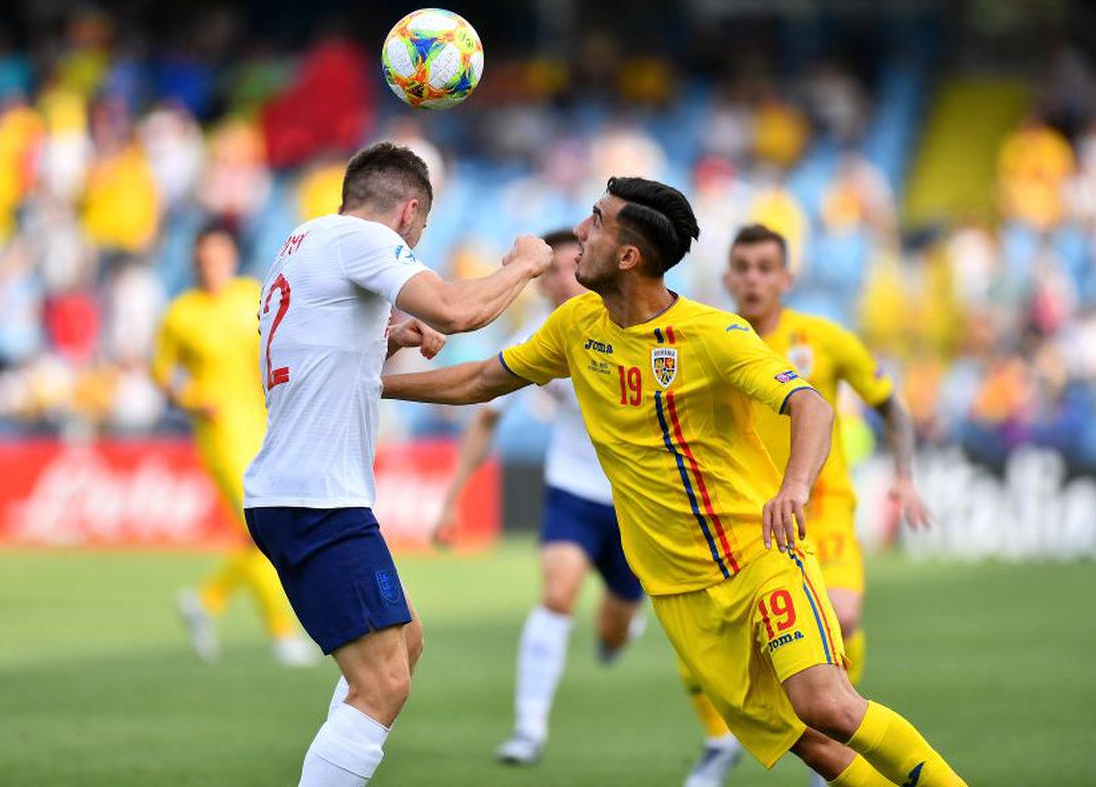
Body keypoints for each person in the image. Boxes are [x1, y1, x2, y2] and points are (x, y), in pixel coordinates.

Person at [382, 177, 967, 786]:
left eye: (596, 222)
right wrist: (374, 382)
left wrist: (794, 487)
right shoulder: (578, 323)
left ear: (628, 256)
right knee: (810, 744)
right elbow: (480, 380)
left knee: (827, 705)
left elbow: (811, 406)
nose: (580, 234)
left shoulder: (715, 335)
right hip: (677, 590)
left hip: (755, 557)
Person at [241, 141, 552, 787]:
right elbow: (459, 311)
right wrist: (526, 265)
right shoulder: (362, 241)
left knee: (403, 646)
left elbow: (316, 348)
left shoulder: (304, 242)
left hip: (302, 492)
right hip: (315, 500)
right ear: (408, 212)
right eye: (423, 230)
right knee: (382, 685)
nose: (417, 240)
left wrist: (389, 336)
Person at [678, 223, 935, 787]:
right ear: (727, 277)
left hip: (822, 507)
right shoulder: (709, 338)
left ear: (786, 278)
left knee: (841, 614)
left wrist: (905, 475)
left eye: (765, 268)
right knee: (709, 640)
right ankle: (723, 739)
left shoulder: (826, 339)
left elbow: (891, 405)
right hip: (747, 517)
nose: (752, 279)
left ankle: (842, 716)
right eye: (742, 267)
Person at [432, 229, 645, 766]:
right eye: (547, 270)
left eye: (566, 267)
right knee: (556, 595)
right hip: (571, 490)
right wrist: (452, 499)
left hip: (635, 505)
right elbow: (485, 412)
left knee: (614, 630)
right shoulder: (537, 335)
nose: (556, 280)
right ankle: (529, 728)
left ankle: (620, 627)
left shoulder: (633, 327)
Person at [152, 223, 316, 667]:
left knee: (268, 529)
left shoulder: (250, 295)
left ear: (231, 258)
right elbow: (162, 371)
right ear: (195, 262)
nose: (212, 266)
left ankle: (206, 601)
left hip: (265, 424)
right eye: (204, 259)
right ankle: (281, 634)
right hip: (220, 433)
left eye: (219, 257)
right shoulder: (181, 313)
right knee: (259, 530)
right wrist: (190, 399)